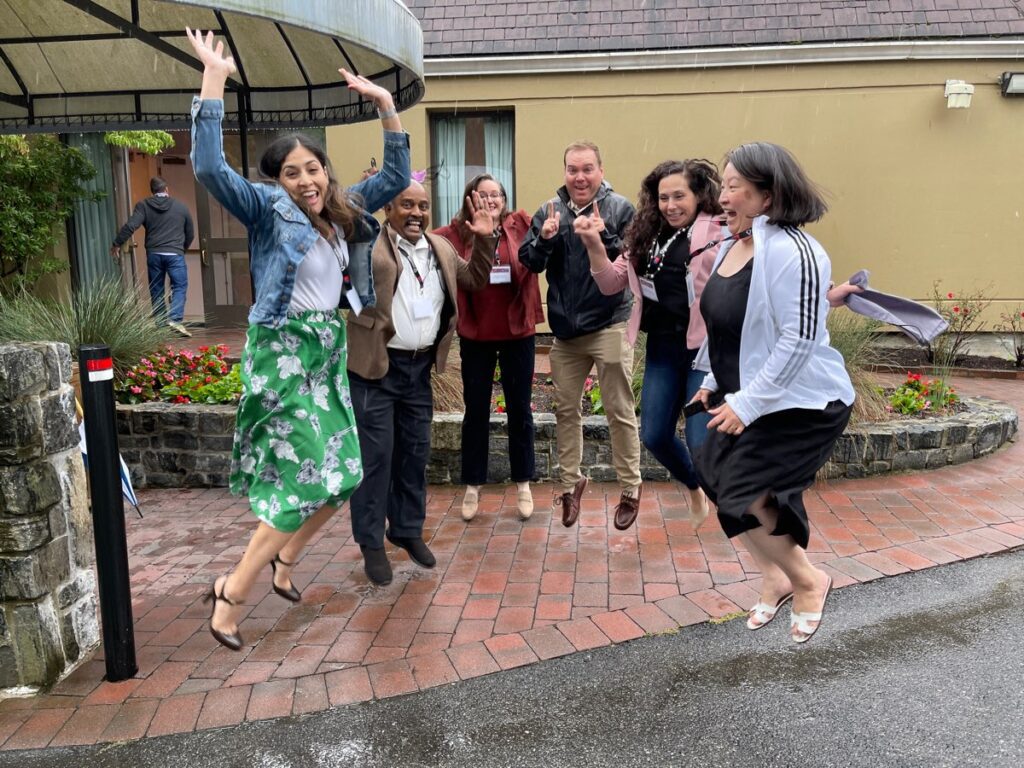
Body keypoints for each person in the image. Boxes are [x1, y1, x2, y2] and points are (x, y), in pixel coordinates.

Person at [186, 28, 410, 650]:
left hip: (325, 348)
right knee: (300, 481)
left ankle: (284, 564)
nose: (305, 180)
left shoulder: (343, 209)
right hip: (282, 351)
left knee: (342, 475)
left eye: (312, 168)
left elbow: (396, 172)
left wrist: (384, 105)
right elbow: (207, 167)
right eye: (292, 173)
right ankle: (231, 596)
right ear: (277, 180)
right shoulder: (265, 209)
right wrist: (214, 80)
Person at [690, 141, 855, 644]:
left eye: (735, 185)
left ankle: (808, 580)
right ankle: (776, 575)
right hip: (749, 396)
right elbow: (732, 328)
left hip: (802, 403)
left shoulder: (796, 250)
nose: (723, 194)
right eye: (724, 183)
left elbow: (800, 338)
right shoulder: (732, 246)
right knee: (715, 477)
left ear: (768, 194)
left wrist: (747, 402)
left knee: (741, 490)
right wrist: (711, 382)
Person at [346, 181, 495, 585]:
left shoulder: (441, 248)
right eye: (406, 204)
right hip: (376, 367)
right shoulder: (371, 247)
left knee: (415, 452)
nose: (416, 212)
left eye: (423, 206)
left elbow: (476, 279)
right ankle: (371, 542)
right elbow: (351, 240)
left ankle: (407, 528)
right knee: (376, 460)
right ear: (388, 208)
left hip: (419, 370)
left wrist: (484, 238)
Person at [579, 159, 724, 531]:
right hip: (662, 347)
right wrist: (594, 243)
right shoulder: (646, 232)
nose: (671, 205)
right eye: (663, 197)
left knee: (699, 438)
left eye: (680, 196)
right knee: (655, 435)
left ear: (699, 195)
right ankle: (693, 485)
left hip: (702, 350)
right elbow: (611, 282)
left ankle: (733, 505)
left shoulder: (716, 229)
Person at [519, 141, 643, 531]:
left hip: (610, 323)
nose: (580, 177)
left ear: (601, 171)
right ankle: (572, 485)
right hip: (567, 332)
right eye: (573, 169)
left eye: (587, 169)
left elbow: (633, 260)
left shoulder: (621, 209)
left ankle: (631, 487)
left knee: (618, 409)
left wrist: (603, 238)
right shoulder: (548, 211)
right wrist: (546, 238)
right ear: (565, 173)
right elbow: (529, 262)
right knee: (565, 410)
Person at [433, 174, 544, 523]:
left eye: (496, 194)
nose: (491, 200)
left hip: (518, 333)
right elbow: (420, 240)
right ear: (470, 199)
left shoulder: (521, 225)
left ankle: (523, 484)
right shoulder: (455, 233)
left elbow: (545, 249)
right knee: (476, 412)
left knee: (519, 411)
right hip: (476, 333)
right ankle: (472, 485)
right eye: (483, 195)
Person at [111, 176, 195, 336]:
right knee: (179, 286)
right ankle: (175, 320)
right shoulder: (181, 207)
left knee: (156, 288)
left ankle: (161, 324)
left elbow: (131, 226)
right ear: (167, 189)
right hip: (175, 253)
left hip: (154, 254)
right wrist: (181, 249)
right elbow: (190, 233)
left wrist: (117, 243)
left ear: (152, 191)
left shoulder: (144, 206)